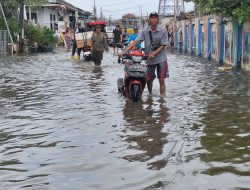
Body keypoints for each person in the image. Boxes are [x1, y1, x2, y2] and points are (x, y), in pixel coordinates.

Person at [121, 12, 169, 95]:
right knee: (149, 80)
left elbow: (163, 45)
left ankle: (162, 100)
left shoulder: (163, 30)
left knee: (161, 79)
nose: (153, 19)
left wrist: (154, 53)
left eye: (155, 17)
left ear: (158, 19)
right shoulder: (145, 31)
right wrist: (125, 50)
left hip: (161, 58)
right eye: (152, 18)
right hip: (149, 59)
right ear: (149, 20)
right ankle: (150, 96)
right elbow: (136, 41)